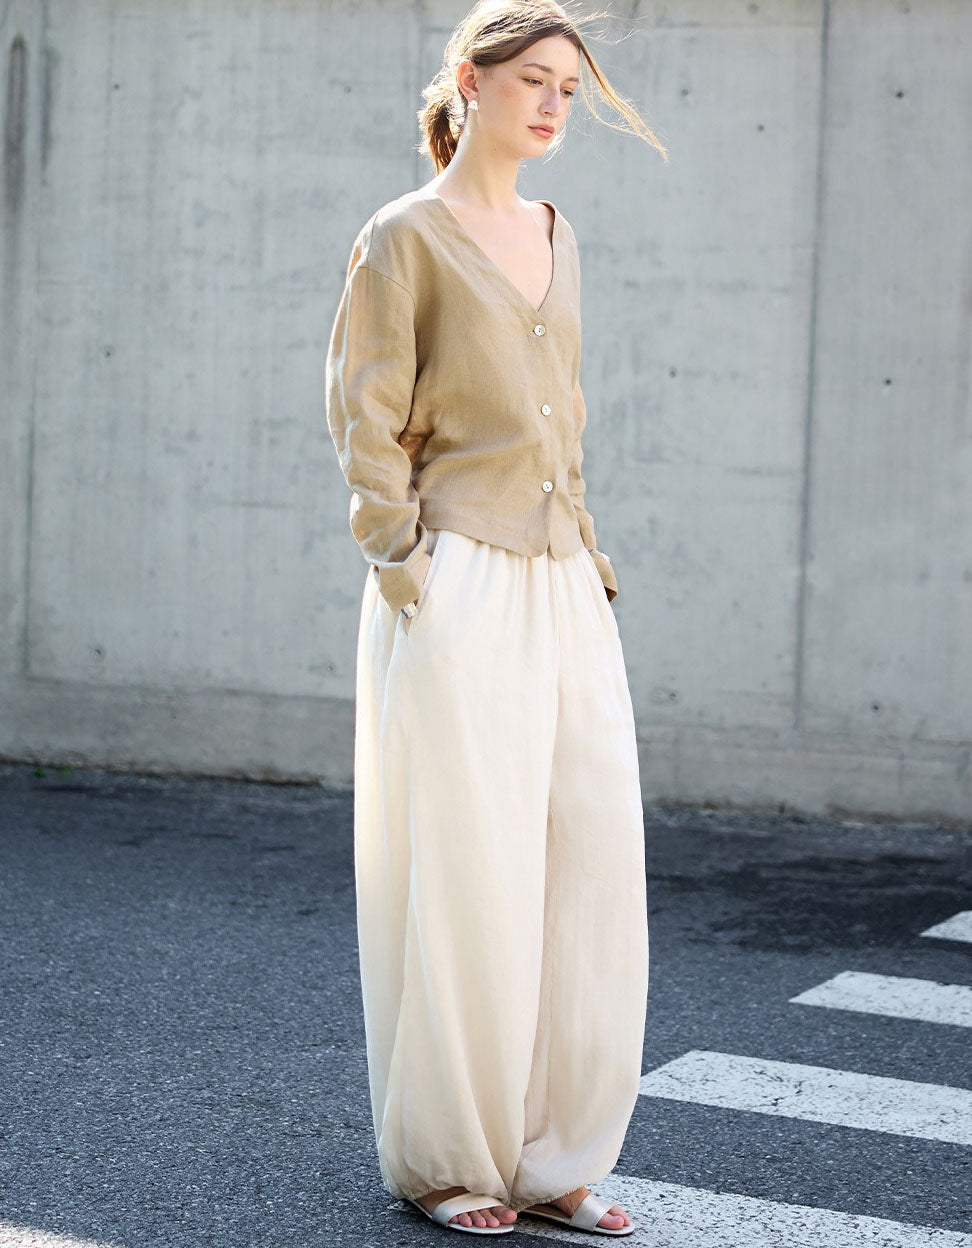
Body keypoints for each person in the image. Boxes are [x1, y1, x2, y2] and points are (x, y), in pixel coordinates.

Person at [325, 0, 668, 1235]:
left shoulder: (558, 235)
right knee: (471, 873)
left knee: (584, 867)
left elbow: (563, 411)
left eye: (570, 89)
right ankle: (455, 1161)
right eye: (534, 79)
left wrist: (591, 561)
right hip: (457, 570)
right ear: (470, 81)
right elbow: (366, 417)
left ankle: (553, 1155)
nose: (553, 106)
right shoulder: (402, 237)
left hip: (567, 578)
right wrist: (405, 566)